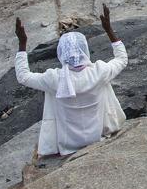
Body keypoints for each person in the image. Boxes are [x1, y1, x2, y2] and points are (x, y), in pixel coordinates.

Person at [13, 11, 128, 157]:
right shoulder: (99, 72)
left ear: (61, 53)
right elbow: (122, 59)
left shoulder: (54, 79)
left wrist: (22, 43)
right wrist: (109, 30)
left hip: (68, 145)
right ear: (85, 50)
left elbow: (23, 77)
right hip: (96, 136)